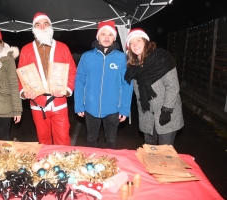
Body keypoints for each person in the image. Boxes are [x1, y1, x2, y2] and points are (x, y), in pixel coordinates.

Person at [17, 12, 76, 145]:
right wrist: (24, 92)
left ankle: (63, 165)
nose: (42, 27)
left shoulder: (62, 48)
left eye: (45, 24)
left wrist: (66, 89)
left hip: (59, 101)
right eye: (38, 25)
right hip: (37, 102)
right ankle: (46, 165)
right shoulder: (26, 50)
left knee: (63, 139)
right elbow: (21, 75)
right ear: (34, 29)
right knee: (43, 141)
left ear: (50, 26)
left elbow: (72, 71)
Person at [74, 20, 133, 149]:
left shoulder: (122, 58)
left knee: (111, 140)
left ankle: (110, 166)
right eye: (103, 34)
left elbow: (127, 84)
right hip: (90, 107)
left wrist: (124, 108)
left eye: (110, 35)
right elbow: (79, 81)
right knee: (91, 139)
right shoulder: (87, 57)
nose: (106, 38)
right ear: (98, 36)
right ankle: (92, 167)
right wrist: (79, 105)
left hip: (113, 109)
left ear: (114, 37)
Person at [124, 28, 184, 146]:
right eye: (131, 43)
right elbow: (137, 94)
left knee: (165, 153)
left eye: (138, 40)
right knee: (149, 152)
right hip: (147, 116)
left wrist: (167, 110)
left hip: (167, 114)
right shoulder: (133, 68)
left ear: (146, 41)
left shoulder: (162, 59)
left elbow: (172, 86)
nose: (135, 45)